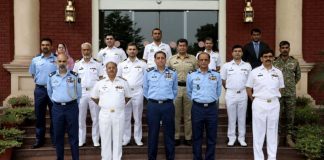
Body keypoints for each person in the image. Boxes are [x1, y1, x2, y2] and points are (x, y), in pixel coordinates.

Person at [246, 49, 285, 160]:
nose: (268, 58)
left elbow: (280, 89)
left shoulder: (278, 72)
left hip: (273, 103)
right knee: (258, 133)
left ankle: (272, 157)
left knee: (272, 132)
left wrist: (273, 97)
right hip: (259, 103)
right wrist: (254, 100)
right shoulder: (254, 72)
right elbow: (248, 88)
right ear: (261, 58)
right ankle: (258, 158)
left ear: (273, 58)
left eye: (270, 56)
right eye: (265, 56)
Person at [91, 62, 131, 160]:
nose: (111, 69)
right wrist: (104, 105)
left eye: (113, 68)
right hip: (105, 114)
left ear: (117, 70)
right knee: (105, 139)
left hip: (119, 113)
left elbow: (128, 97)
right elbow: (94, 97)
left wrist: (118, 105)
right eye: (109, 68)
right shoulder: (100, 83)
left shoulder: (123, 82)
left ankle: (117, 158)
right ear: (106, 70)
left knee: (118, 139)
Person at [187, 52, 222, 160]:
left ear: (209, 61)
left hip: (212, 108)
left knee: (211, 136)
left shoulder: (216, 75)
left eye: (205, 60)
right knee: (197, 136)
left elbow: (218, 91)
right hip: (197, 108)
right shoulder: (191, 75)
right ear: (197, 62)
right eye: (201, 60)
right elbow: (189, 91)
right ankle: (197, 158)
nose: (203, 62)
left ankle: (209, 158)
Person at [143, 51, 178, 160]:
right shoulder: (148, 72)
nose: (160, 60)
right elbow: (145, 89)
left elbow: (175, 90)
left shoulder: (173, 72)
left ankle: (170, 157)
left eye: (162, 58)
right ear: (155, 60)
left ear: (165, 59)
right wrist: (152, 100)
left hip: (167, 105)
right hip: (153, 106)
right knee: (153, 134)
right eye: (158, 58)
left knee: (169, 133)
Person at [47, 54, 82, 160]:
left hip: (71, 108)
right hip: (57, 109)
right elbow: (49, 92)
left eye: (63, 61)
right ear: (56, 62)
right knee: (58, 136)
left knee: (74, 137)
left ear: (67, 62)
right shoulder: (51, 76)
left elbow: (79, 93)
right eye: (60, 61)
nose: (62, 63)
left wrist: (73, 104)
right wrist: (57, 102)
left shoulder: (74, 76)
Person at [167, 38, 197, 146]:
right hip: (176, 89)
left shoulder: (193, 59)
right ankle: (176, 136)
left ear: (187, 47)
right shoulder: (171, 59)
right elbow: (168, 75)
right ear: (177, 47)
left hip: (189, 89)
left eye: (184, 45)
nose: (182, 47)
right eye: (180, 45)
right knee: (176, 115)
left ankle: (188, 137)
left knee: (188, 115)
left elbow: (197, 73)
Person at [220, 45, 252, 147]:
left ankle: (241, 138)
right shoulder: (226, 66)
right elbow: (223, 80)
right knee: (231, 117)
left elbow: (250, 81)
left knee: (242, 117)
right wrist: (230, 89)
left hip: (243, 93)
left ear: (242, 53)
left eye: (239, 51)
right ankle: (232, 138)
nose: (237, 53)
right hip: (230, 93)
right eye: (235, 51)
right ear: (232, 53)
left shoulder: (247, 66)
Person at [73, 42, 103, 147]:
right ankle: (81, 139)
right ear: (81, 51)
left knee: (96, 117)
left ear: (91, 50)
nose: (86, 52)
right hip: (82, 93)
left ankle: (96, 139)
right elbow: (74, 80)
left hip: (94, 92)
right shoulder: (77, 64)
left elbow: (101, 79)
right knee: (81, 118)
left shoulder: (97, 64)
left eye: (88, 50)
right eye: (84, 50)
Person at [29, 38, 57, 148]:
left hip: (54, 90)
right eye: (43, 45)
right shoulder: (35, 60)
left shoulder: (56, 59)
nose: (45, 46)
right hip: (40, 90)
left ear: (51, 46)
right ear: (41, 46)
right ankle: (39, 140)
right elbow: (33, 74)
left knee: (54, 115)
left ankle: (54, 140)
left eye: (47, 45)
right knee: (39, 115)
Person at [117, 42, 147, 146]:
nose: (132, 51)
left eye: (134, 49)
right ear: (126, 51)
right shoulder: (121, 64)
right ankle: (126, 138)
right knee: (126, 117)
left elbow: (146, 79)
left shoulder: (143, 64)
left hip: (138, 91)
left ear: (137, 51)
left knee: (138, 117)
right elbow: (118, 79)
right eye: (130, 49)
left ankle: (138, 138)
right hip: (125, 92)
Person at [273, 41, 301, 147]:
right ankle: (277, 136)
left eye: (287, 47)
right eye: (283, 47)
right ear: (279, 49)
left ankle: (289, 137)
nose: (285, 49)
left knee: (290, 116)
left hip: (290, 93)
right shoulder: (274, 62)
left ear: (289, 49)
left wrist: (290, 84)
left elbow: (298, 76)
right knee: (277, 115)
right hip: (278, 93)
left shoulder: (294, 62)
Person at [242, 28, 270, 124]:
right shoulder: (246, 47)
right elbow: (244, 61)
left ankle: (262, 117)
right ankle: (250, 118)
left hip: (264, 73)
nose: (256, 36)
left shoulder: (265, 46)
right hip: (251, 74)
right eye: (254, 34)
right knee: (251, 95)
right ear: (251, 36)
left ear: (260, 35)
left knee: (261, 94)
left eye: (258, 34)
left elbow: (268, 58)